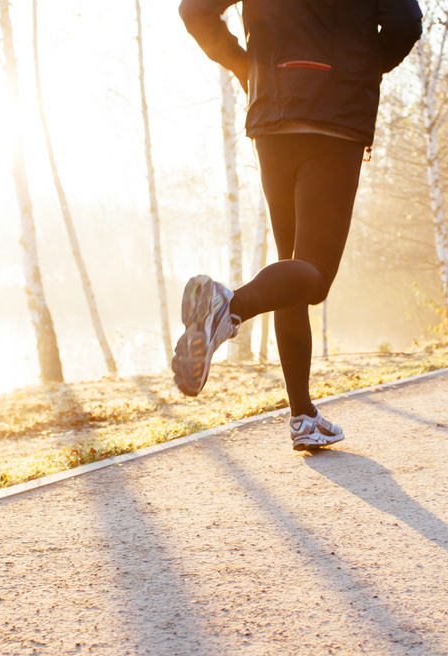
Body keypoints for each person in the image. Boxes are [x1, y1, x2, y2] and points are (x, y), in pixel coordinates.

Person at [176, 0, 422, 451]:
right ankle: (227, 305)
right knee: (314, 275)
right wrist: (359, 68)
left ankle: (303, 415)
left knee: (292, 267)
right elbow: (405, 23)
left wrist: (247, 68)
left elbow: (194, 10)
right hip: (335, 118)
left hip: (272, 117)